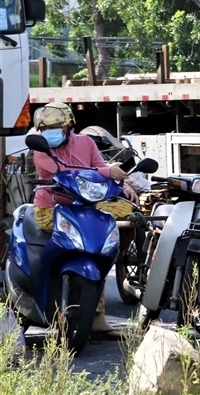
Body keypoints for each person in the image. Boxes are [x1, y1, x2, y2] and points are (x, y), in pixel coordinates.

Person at [32, 102, 138, 339]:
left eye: (55, 127)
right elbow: (62, 171)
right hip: (51, 209)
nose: (48, 132)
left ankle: (97, 316)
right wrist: (107, 171)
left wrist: (121, 182)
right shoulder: (41, 148)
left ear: (69, 125)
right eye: (44, 128)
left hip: (85, 209)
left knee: (126, 218)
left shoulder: (87, 142)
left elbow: (99, 168)